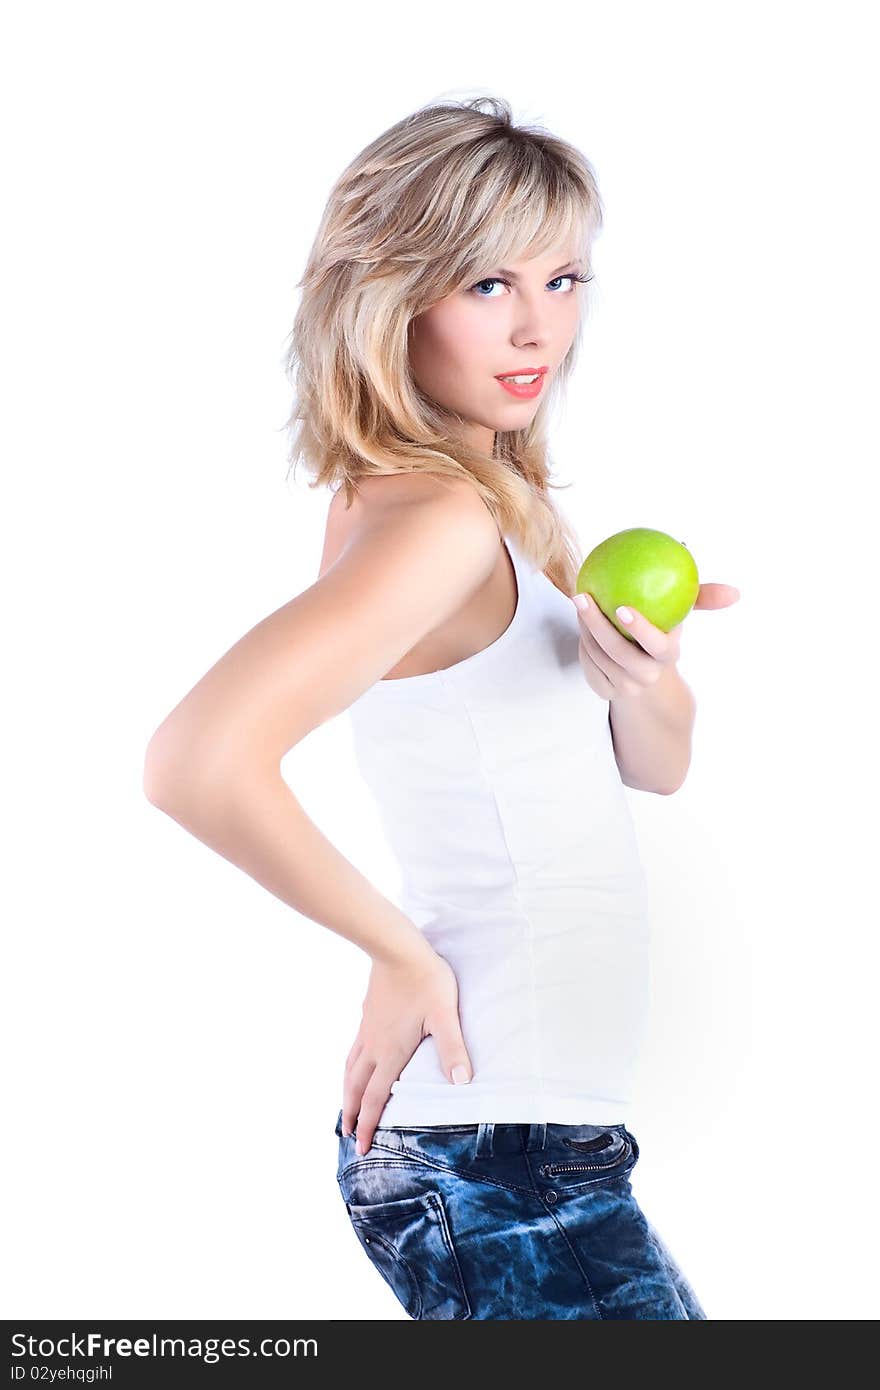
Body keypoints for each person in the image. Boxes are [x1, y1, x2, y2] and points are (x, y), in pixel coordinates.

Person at [144, 95, 734, 1319]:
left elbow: (653, 770)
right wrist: (395, 948)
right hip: (494, 1156)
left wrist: (649, 673)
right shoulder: (440, 518)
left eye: (563, 278)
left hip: (528, 1146)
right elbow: (197, 760)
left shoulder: (494, 506)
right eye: (484, 284)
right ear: (390, 298)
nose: (537, 327)